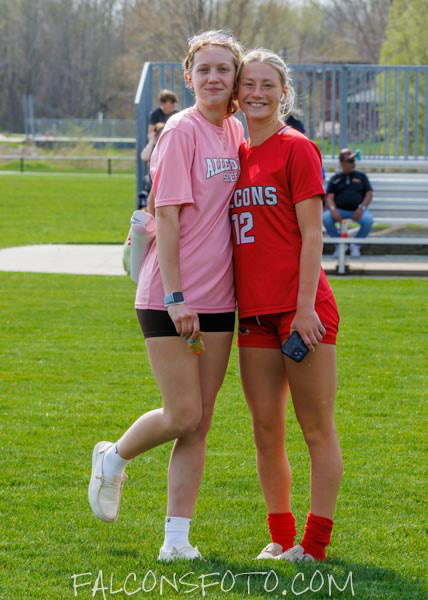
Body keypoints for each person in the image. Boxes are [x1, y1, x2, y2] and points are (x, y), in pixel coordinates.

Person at [88, 30, 244, 561]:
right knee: (182, 414)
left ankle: (176, 542)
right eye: (204, 70)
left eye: (223, 69)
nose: (214, 78)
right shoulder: (181, 130)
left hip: (219, 299)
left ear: (235, 77)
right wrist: (177, 296)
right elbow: (168, 217)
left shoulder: (234, 130)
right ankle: (113, 457)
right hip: (169, 296)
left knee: (200, 420)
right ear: (188, 77)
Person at [230, 49, 343, 563]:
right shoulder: (232, 154)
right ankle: (279, 537)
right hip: (253, 313)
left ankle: (314, 545)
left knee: (315, 428)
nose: (257, 93)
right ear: (237, 93)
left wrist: (303, 309)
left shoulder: (297, 147)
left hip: (303, 312)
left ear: (283, 92)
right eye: (248, 84)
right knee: (265, 430)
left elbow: (313, 234)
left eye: (267, 85)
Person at [323, 149, 373, 258]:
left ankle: (356, 245)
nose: (353, 163)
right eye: (350, 161)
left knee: (368, 220)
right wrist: (333, 210)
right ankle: (340, 245)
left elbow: (369, 194)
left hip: (358, 210)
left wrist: (361, 208)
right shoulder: (335, 178)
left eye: (354, 160)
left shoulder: (361, 176)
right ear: (342, 162)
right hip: (339, 210)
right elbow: (329, 197)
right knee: (326, 218)